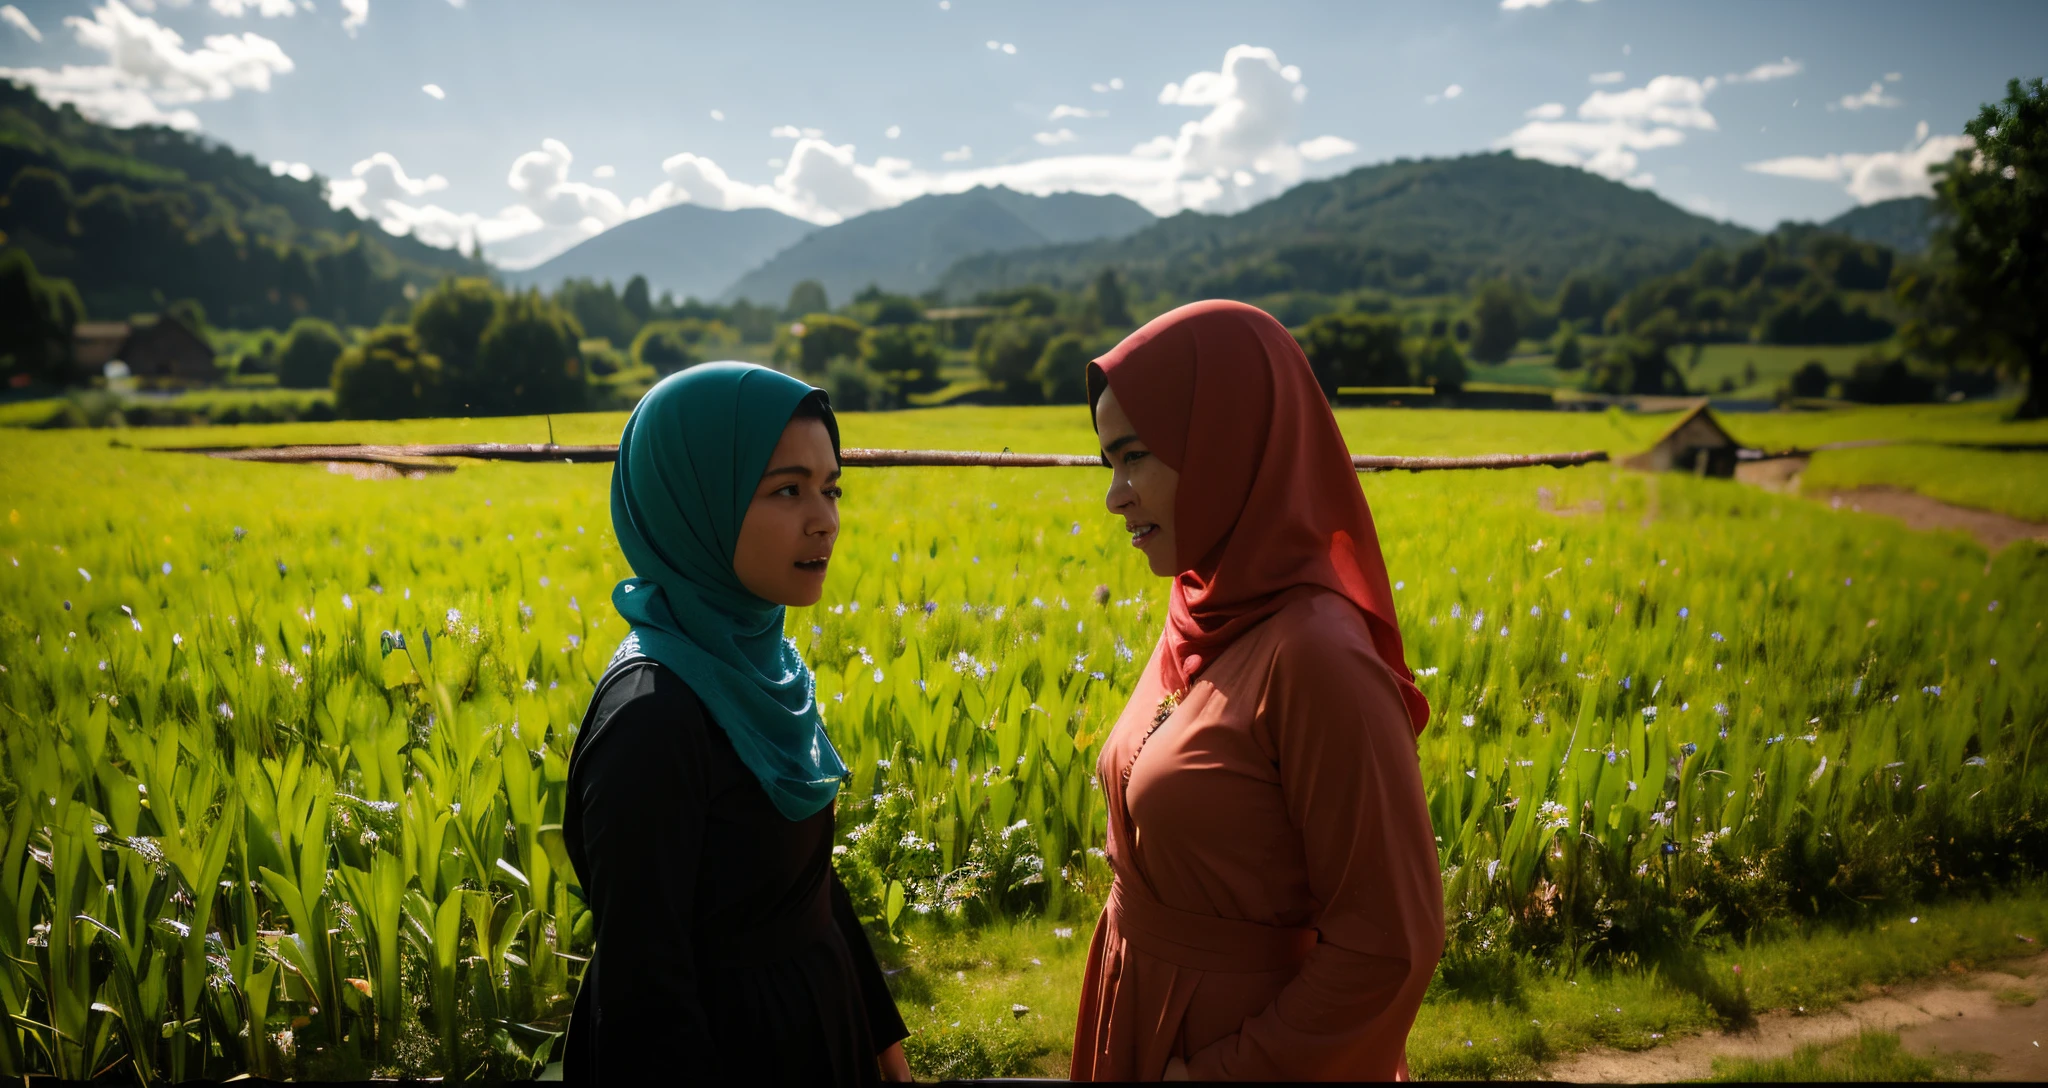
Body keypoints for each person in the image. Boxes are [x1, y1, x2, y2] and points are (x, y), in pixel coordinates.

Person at [1069, 301, 1444, 1081]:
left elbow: (1389, 945)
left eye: (1135, 457)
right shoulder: (1202, 612)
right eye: (1109, 462)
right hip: (1140, 1020)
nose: (1116, 494)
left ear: (1225, 442)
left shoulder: (1319, 659)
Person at [561, 362, 911, 1085]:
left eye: (831, 487)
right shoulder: (653, 721)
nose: (826, 519)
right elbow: (646, 1004)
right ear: (694, 504)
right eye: (787, 489)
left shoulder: (759, 670)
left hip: (823, 1031)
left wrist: (886, 1052)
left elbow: (809, 890)